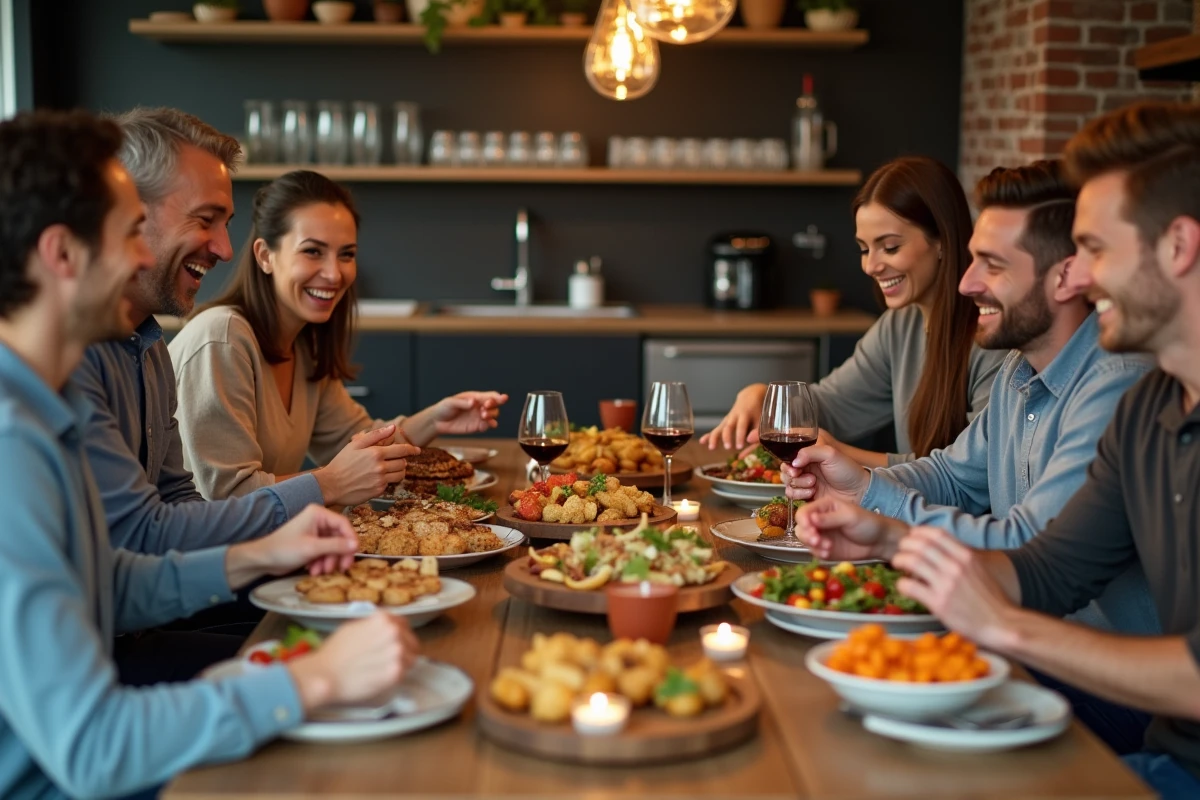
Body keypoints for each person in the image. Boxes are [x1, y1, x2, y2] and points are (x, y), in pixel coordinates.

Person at [0, 109, 418, 800]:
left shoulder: (49, 409)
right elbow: (92, 748)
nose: (142, 258)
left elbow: (106, 586)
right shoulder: (16, 443)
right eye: (130, 231)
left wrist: (261, 554)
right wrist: (314, 679)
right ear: (62, 255)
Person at [791, 101, 1200, 800]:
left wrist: (1003, 627)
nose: (1084, 277)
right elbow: (1048, 566)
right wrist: (882, 529)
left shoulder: (1117, 386)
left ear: (1178, 247)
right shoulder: (1148, 409)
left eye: (1097, 251)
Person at [68, 107, 343, 558]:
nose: (224, 248)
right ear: (125, 217)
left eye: (226, 223)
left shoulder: (151, 346)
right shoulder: (67, 360)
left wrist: (268, 559)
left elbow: (177, 502)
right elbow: (141, 537)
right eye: (204, 219)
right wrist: (322, 488)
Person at [169, 170, 508, 501]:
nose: (334, 273)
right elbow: (225, 497)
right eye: (313, 251)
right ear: (265, 255)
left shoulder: (304, 346)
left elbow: (358, 444)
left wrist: (437, 417)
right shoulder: (222, 338)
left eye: (346, 254)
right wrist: (331, 482)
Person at [702, 156, 1006, 467]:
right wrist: (763, 396)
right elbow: (833, 406)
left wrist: (840, 454)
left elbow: (971, 472)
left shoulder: (992, 336)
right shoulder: (899, 325)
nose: (871, 266)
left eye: (889, 247)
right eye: (864, 248)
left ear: (942, 240)